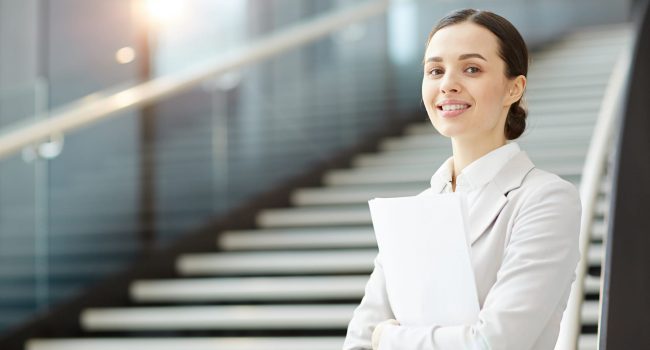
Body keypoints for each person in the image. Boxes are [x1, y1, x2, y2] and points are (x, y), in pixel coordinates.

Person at [342, 8, 582, 350]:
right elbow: (359, 341)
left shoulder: (546, 199)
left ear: (514, 88)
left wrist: (390, 338)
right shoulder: (416, 210)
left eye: (472, 69)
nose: (448, 84)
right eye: (435, 70)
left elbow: (494, 343)